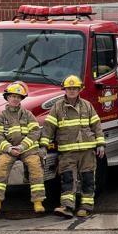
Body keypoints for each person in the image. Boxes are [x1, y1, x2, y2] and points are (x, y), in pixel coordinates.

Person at [40, 75, 105, 218]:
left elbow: (96, 125)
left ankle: (86, 207)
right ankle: (67, 207)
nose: (72, 91)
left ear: (79, 89)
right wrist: (44, 146)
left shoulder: (87, 105)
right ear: (65, 89)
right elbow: (48, 127)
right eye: (69, 88)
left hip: (87, 150)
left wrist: (100, 144)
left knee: (88, 178)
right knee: (68, 179)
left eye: (74, 88)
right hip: (67, 151)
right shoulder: (57, 107)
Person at [0, 82, 46, 215]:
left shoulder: (28, 115)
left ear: (21, 99)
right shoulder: (0, 117)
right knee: (1, 167)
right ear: (7, 98)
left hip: (27, 149)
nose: (15, 99)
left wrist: (22, 146)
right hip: (7, 150)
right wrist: (9, 149)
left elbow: (35, 133)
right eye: (12, 96)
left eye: (18, 97)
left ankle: (38, 202)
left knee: (35, 166)